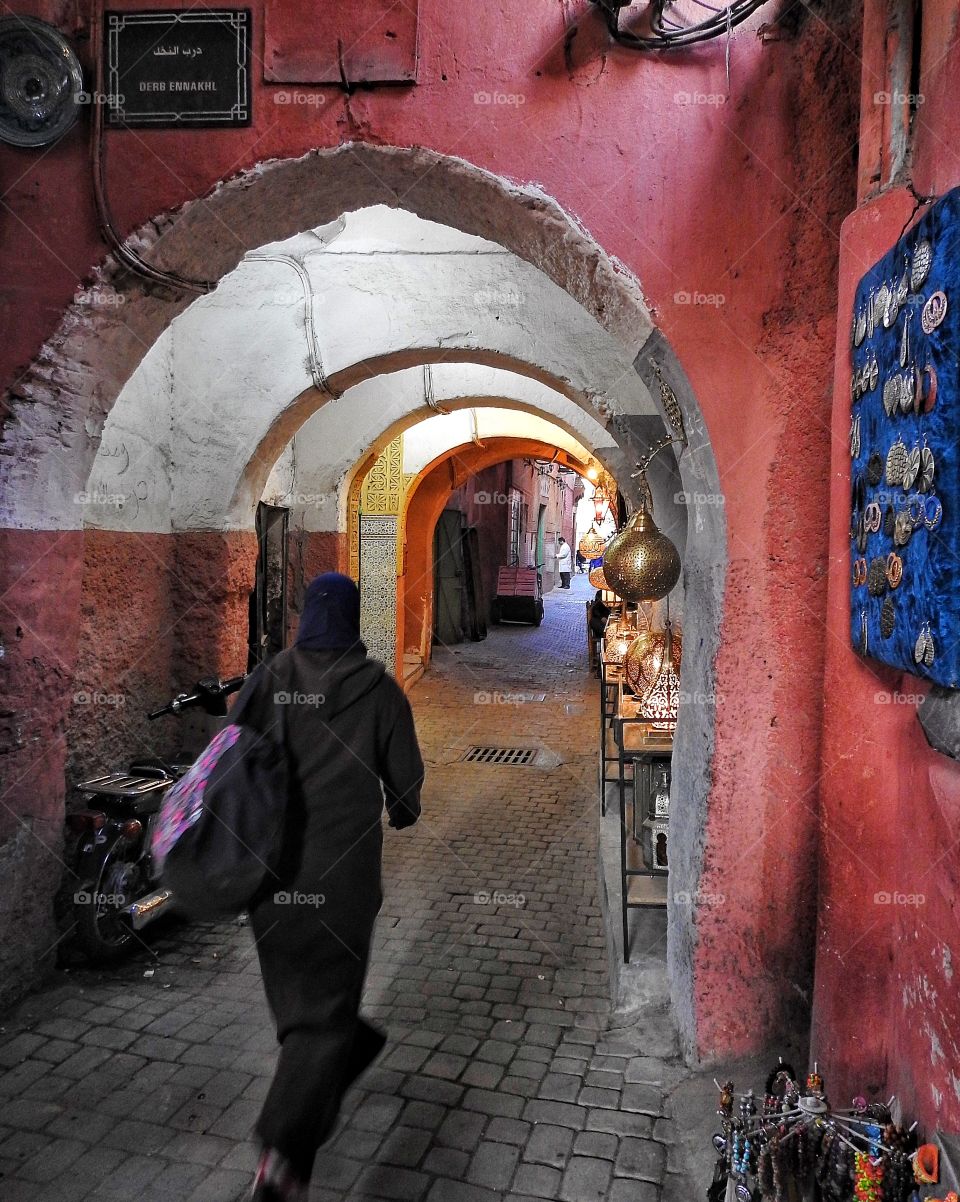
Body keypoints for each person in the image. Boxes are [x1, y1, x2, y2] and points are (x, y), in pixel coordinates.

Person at [234, 573, 425, 1202]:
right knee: (323, 1022)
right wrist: (398, 808)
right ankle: (281, 1156)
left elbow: (230, 763)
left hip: (270, 881)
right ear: (352, 618)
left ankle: (296, 1156)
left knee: (302, 1014)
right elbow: (405, 791)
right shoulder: (380, 691)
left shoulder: (269, 680)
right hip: (342, 887)